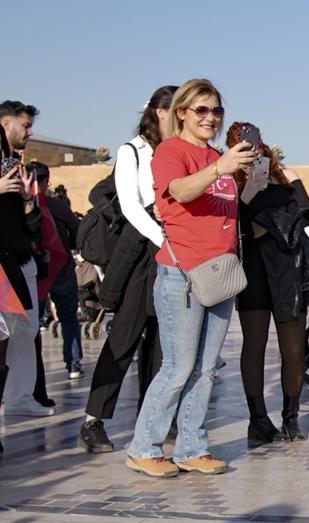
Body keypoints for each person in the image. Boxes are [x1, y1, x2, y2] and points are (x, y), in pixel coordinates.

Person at [124, 78, 257, 478]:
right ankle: (144, 446)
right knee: (178, 367)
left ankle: (191, 446)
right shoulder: (171, 151)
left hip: (220, 275)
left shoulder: (218, 155)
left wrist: (249, 178)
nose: (211, 117)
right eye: (201, 109)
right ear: (181, 112)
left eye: (216, 110)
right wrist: (219, 168)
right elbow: (178, 191)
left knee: (205, 367)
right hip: (182, 275)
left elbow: (224, 211)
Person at [78, 85, 176, 453]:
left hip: (171, 252)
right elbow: (134, 208)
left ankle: (152, 418)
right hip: (141, 253)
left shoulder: (180, 151)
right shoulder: (132, 151)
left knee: (162, 344)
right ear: (158, 112)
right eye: (175, 110)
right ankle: (94, 419)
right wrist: (163, 239)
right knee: (124, 337)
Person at [227, 122, 309, 446]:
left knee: (293, 348)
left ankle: (291, 416)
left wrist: (291, 179)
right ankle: (258, 420)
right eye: (241, 144)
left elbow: (308, 214)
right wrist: (246, 203)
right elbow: (228, 227)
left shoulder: (280, 174)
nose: (250, 150)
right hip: (252, 267)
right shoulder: (228, 180)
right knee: (255, 344)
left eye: (253, 143)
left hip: (287, 265)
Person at [1, 100, 51, 418]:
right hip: (3, 264)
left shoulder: (14, 166)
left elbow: (29, 223)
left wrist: (26, 200)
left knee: (25, 330)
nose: (30, 132)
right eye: (25, 125)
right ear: (6, 125)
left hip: (19, 259)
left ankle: (20, 396)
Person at [27, 162, 83, 379]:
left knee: (33, 323)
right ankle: (74, 363)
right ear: (46, 180)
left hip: (36, 271)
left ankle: (35, 371)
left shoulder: (24, 206)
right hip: (62, 267)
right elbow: (77, 232)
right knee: (69, 317)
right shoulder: (59, 206)